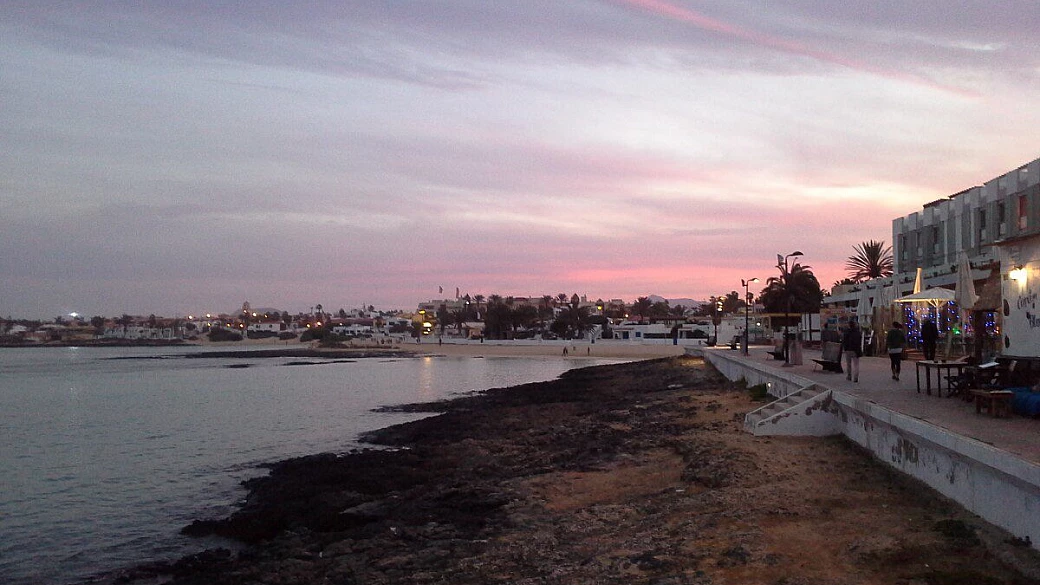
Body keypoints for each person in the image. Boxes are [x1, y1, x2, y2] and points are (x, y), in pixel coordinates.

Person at [842, 318, 863, 383]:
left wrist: (845, 348)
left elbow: (844, 340)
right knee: (856, 364)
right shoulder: (857, 332)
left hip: (848, 349)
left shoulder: (846, 332)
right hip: (856, 350)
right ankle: (856, 377)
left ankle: (849, 376)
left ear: (849, 325)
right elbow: (859, 340)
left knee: (848, 364)